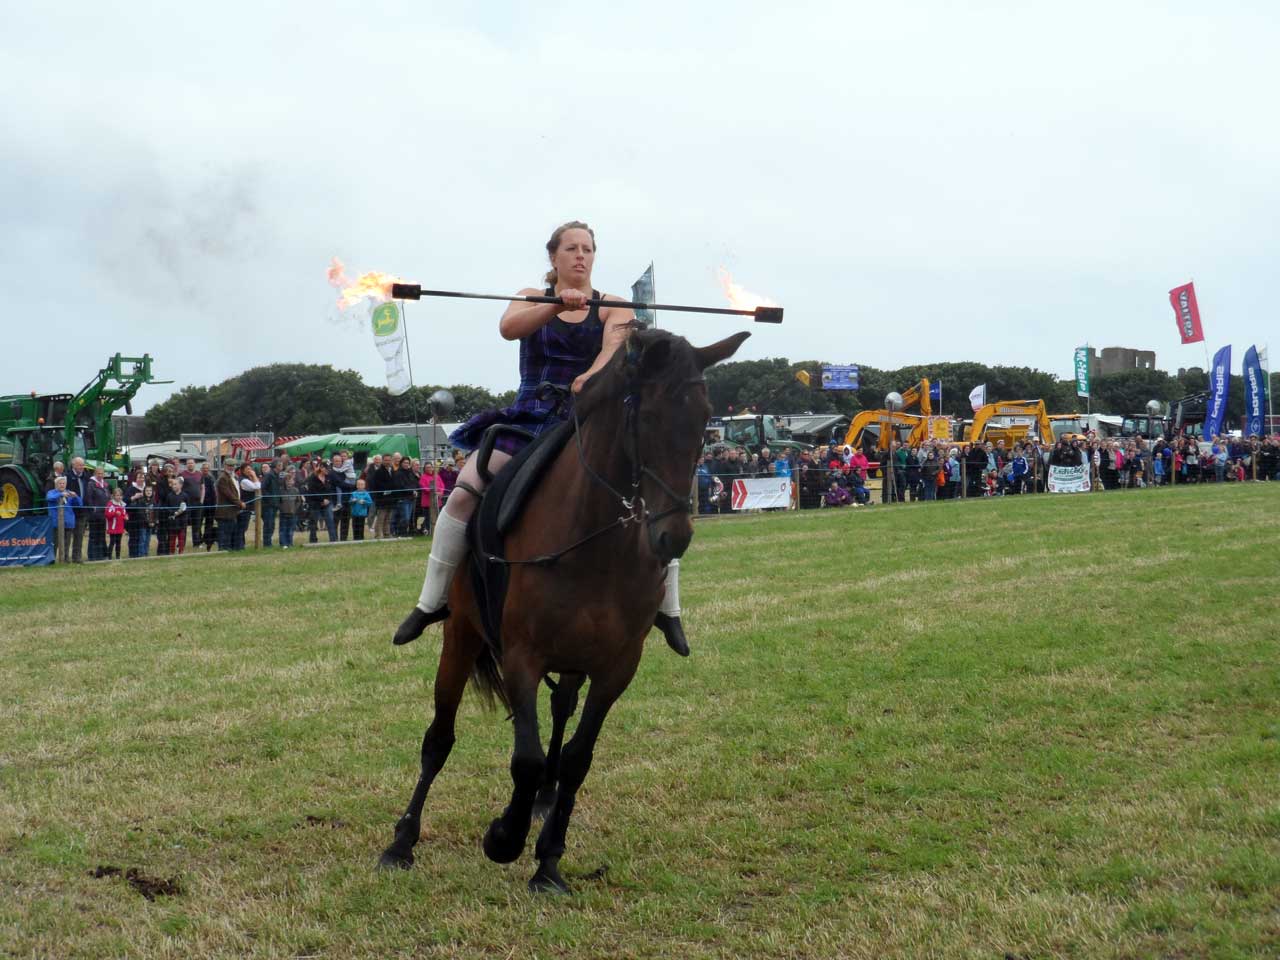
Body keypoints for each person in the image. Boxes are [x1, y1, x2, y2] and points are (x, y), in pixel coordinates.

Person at [393, 220, 691, 656]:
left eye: (587, 249)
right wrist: (554, 305)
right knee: (463, 494)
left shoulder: (614, 306)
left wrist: (590, 376)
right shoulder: (531, 297)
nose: (580, 256)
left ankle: (669, 608)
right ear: (553, 257)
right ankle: (431, 601)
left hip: (590, 424)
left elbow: (614, 348)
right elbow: (509, 328)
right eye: (570, 248)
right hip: (528, 420)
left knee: (654, 500)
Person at [45, 476, 81, 564]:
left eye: (63, 483)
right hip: (56, 523)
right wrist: (60, 494)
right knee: (54, 543)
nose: (62, 485)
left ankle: (65, 559)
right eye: (60, 483)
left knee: (67, 542)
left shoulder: (68, 493)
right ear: (56, 485)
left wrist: (75, 496)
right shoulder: (51, 492)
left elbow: (79, 504)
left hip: (68, 522)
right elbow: (49, 498)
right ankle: (51, 560)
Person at [214, 463, 244, 551]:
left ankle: (228, 548)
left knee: (230, 530)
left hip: (232, 509)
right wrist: (239, 503)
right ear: (225, 466)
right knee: (224, 531)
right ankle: (223, 549)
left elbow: (235, 492)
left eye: (233, 466)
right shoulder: (223, 478)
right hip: (225, 510)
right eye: (229, 466)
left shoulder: (233, 477)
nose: (231, 467)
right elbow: (228, 494)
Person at [305, 462, 335, 543]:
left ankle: (333, 539)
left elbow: (331, 490)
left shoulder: (329, 477)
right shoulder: (312, 478)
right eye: (327, 468)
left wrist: (328, 499)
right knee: (314, 521)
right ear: (321, 468)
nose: (328, 470)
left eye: (329, 468)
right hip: (315, 503)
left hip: (327, 503)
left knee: (330, 520)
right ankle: (313, 540)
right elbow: (312, 491)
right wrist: (322, 500)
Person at [277, 467, 301, 549]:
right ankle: (283, 544)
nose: (289, 483)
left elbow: (298, 501)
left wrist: (295, 508)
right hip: (283, 513)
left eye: (291, 481)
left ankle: (290, 543)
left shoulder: (296, 490)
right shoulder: (281, 491)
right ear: (284, 482)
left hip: (293, 513)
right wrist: (281, 509)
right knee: (283, 529)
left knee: (290, 530)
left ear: (293, 481)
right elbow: (278, 502)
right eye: (287, 481)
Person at [260, 462, 280, 547]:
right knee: (268, 524)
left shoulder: (276, 475)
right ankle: (267, 543)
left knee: (272, 524)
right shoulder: (269, 476)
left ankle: (269, 542)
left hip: (274, 504)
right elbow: (263, 488)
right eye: (280, 465)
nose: (281, 467)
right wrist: (269, 499)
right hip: (268, 505)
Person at [105, 487, 127, 559]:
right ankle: (109, 557)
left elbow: (124, 513)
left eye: (120, 495)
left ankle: (118, 556)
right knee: (112, 542)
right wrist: (114, 513)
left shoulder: (122, 505)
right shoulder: (110, 504)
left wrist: (126, 516)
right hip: (113, 527)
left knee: (119, 543)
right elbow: (107, 514)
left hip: (120, 527)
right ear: (113, 496)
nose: (119, 497)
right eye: (117, 495)